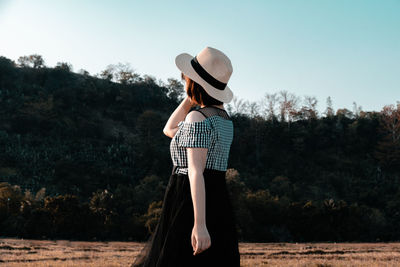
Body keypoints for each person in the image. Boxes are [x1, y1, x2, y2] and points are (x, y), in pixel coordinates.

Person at [130, 46, 240, 267]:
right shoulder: (225, 120)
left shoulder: (197, 119)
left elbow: (196, 171)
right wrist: (193, 95)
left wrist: (199, 225)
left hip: (190, 199)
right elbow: (169, 129)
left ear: (196, 84)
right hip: (217, 197)